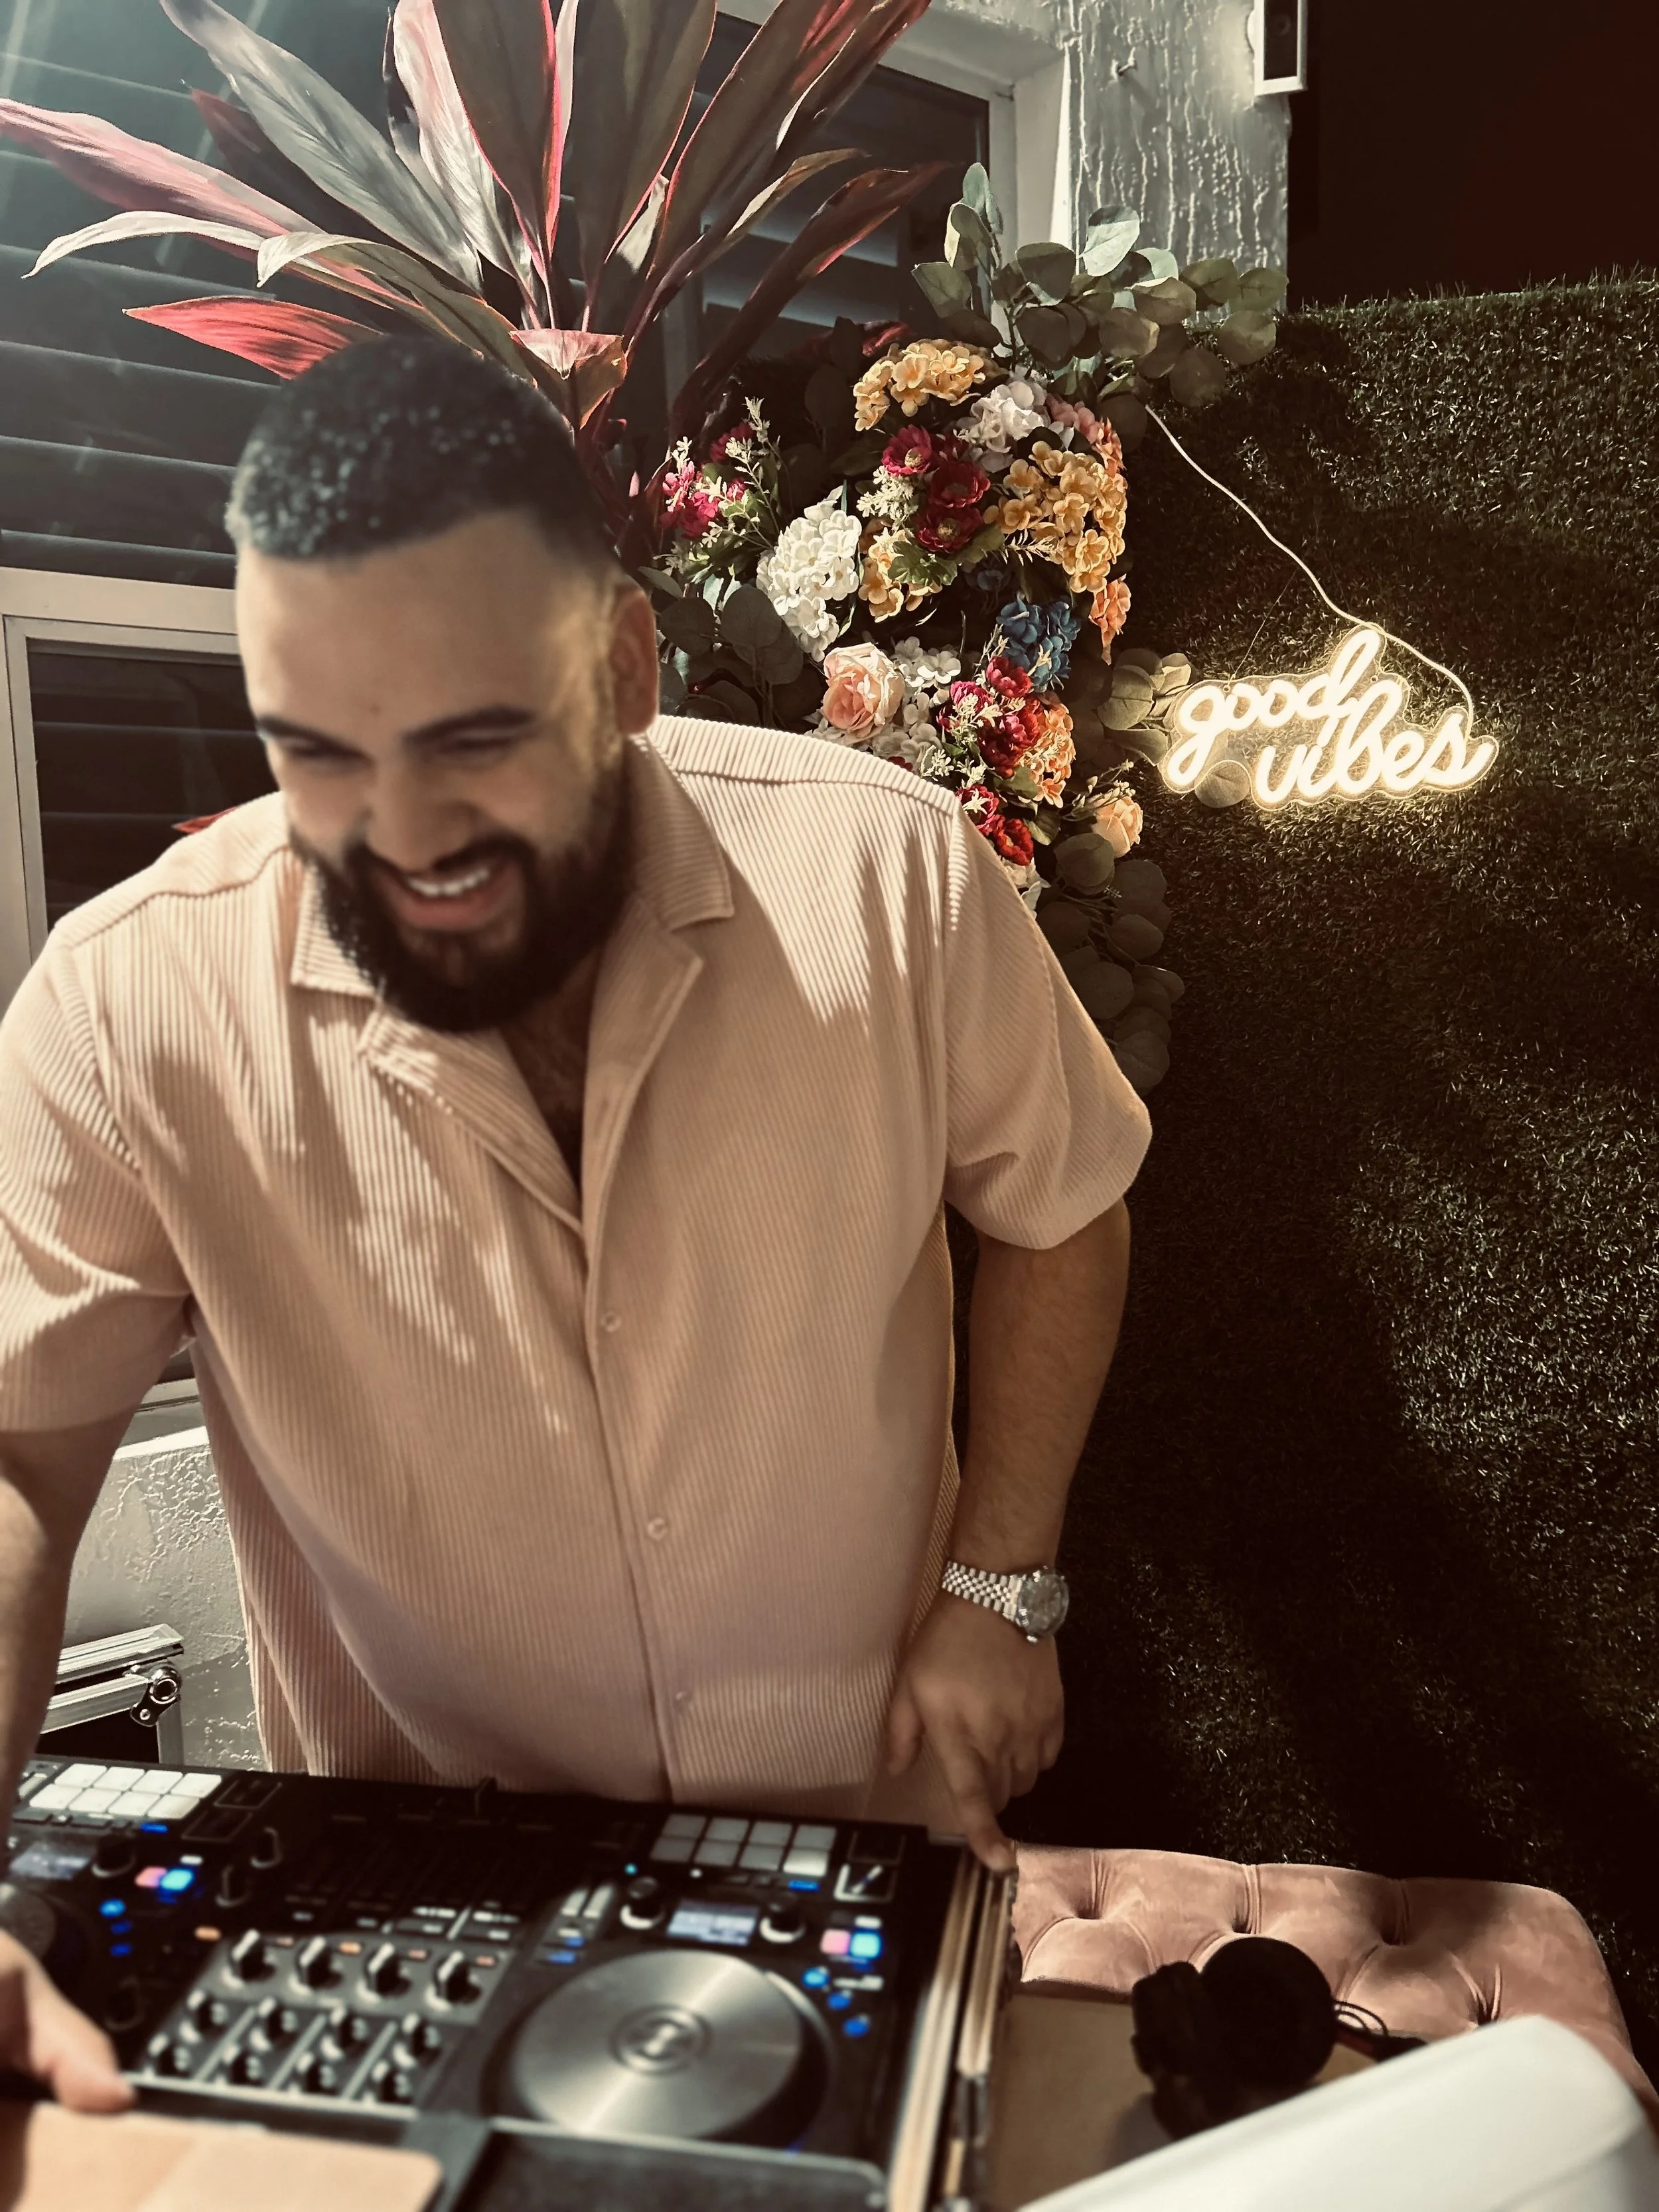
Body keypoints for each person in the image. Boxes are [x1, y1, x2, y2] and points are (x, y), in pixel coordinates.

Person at [0, 338, 1149, 2108]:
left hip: (862, 1839)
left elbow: (1064, 1205)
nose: (403, 837)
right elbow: (12, 1458)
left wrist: (1001, 1581)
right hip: (413, 1885)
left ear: (619, 664)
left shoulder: (892, 875)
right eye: (320, 754)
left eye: (474, 737)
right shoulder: (125, 998)